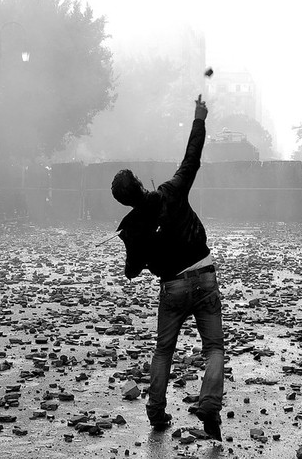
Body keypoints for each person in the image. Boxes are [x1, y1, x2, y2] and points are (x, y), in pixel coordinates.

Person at [110, 94, 224, 441]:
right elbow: (192, 158)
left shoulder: (131, 227)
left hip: (172, 287)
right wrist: (199, 117)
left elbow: (131, 271)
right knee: (214, 349)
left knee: (163, 350)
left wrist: (132, 246)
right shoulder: (170, 192)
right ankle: (208, 405)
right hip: (204, 276)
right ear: (142, 184)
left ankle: (157, 415)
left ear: (123, 200)